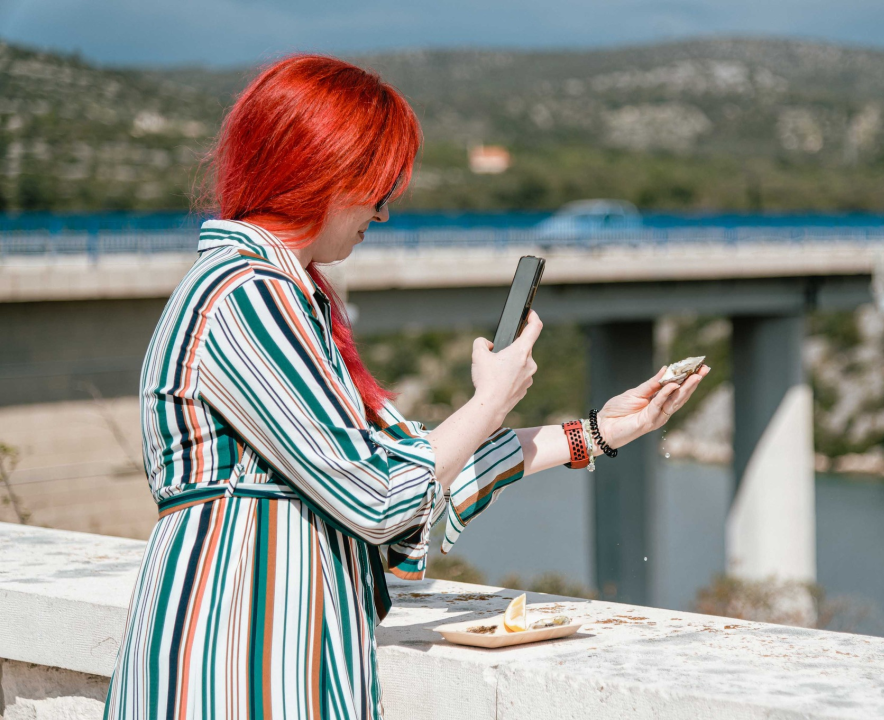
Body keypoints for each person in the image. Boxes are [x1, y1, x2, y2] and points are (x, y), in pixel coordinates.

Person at [103, 54, 709, 720]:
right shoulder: (248, 296)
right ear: (319, 172)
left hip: (266, 664)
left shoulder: (269, 293)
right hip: (234, 672)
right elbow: (379, 496)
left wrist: (596, 432)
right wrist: (489, 400)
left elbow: (409, 476)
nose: (385, 210)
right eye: (377, 185)